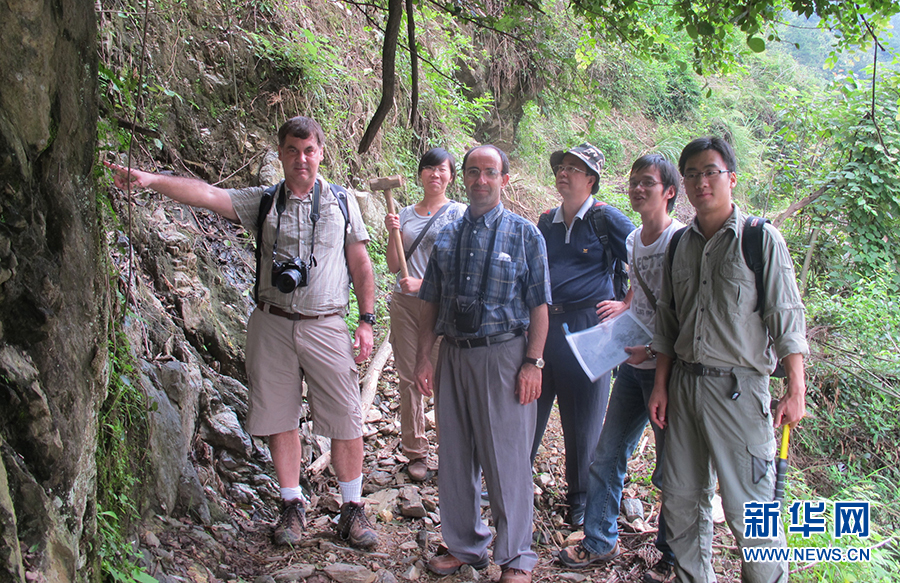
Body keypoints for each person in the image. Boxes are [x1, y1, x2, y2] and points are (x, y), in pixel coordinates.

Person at [106, 116, 380, 550]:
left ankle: (352, 509)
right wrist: (149, 179)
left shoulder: (342, 204)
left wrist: (366, 321)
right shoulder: (266, 201)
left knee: (346, 418)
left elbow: (362, 266)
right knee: (278, 416)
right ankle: (291, 504)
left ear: (321, 152)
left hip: (327, 324)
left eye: (309, 150)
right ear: (281, 155)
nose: (301, 159)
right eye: (292, 150)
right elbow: (209, 195)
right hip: (271, 322)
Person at [647, 137, 808, 583]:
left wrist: (796, 388)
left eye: (710, 172)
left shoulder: (760, 238)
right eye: (692, 174)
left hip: (739, 391)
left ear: (731, 178)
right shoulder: (679, 244)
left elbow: (786, 316)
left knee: (752, 510)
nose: (701, 182)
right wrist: (660, 385)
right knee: (681, 502)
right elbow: (667, 322)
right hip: (683, 386)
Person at [414, 145, 550, 583]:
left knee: (506, 457)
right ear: (463, 179)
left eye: (489, 172)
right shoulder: (447, 235)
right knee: (454, 454)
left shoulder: (525, 234)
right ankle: (464, 545)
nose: (480, 180)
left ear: (504, 179)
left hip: (505, 354)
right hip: (453, 352)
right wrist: (423, 357)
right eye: (473, 172)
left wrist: (534, 362)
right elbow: (430, 302)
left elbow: (540, 306)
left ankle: (516, 556)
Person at [557, 154, 683, 582]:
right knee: (607, 454)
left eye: (648, 182)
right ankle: (599, 541)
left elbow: (683, 312)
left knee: (673, 469)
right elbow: (638, 288)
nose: (638, 188)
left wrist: (651, 352)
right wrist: (626, 306)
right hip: (632, 368)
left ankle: (671, 555)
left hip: (670, 370)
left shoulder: (679, 242)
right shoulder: (633, 242)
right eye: (633, 181)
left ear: (669, 191)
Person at [530, 143, 635, 527]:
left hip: (591, 326)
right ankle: (513, 479)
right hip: (545, 326)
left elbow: (646, 253)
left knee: (584, 414)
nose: (564, 172)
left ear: (591, 180)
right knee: (531, 405)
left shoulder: (605, 220)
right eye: (562, 166)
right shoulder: (546, 222)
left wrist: (627, 301)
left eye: (575, 168)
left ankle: (580, 498)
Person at [383, 148, 466, 481]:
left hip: (441, 305)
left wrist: (427, 282)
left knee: (443, 378)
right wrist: (393, 232)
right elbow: (392, 264)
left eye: (442, 170)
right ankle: (415, 451)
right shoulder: (403, 213)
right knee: (408, 378)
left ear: (451, 177)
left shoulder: (460, 214)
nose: (435, 174)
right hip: (404, 304)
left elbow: (462, 263)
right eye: (429, 168)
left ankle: (450, 452)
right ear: (420, 174)